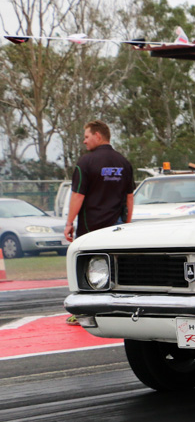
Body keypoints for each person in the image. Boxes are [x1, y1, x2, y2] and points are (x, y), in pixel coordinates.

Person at [64, 121, 134, 323]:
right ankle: (120, 310)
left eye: (86, 136)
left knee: (85, 268)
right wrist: (127, 223)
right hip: (116, 226)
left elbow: (78, 195)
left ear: (98, 136)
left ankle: (83, 311)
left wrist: (69, 223)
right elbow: (129, 197)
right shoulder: (123, 162)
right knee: (118, 269)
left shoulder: (85, 162)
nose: (84, 141)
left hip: (91, 227)